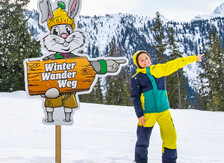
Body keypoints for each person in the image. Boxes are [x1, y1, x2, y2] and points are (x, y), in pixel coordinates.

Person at [130, 50, 204, 163]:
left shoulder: (160, 69)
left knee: (170, 137)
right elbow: (135, 97)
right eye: (142, 60)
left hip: (164, 111)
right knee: (142, 141)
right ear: (138, 63)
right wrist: (140, 115)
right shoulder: (136, 78)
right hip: (147, 113)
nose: (145, 61)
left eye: (146, 58)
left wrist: (194, 58)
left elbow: (176, 63)